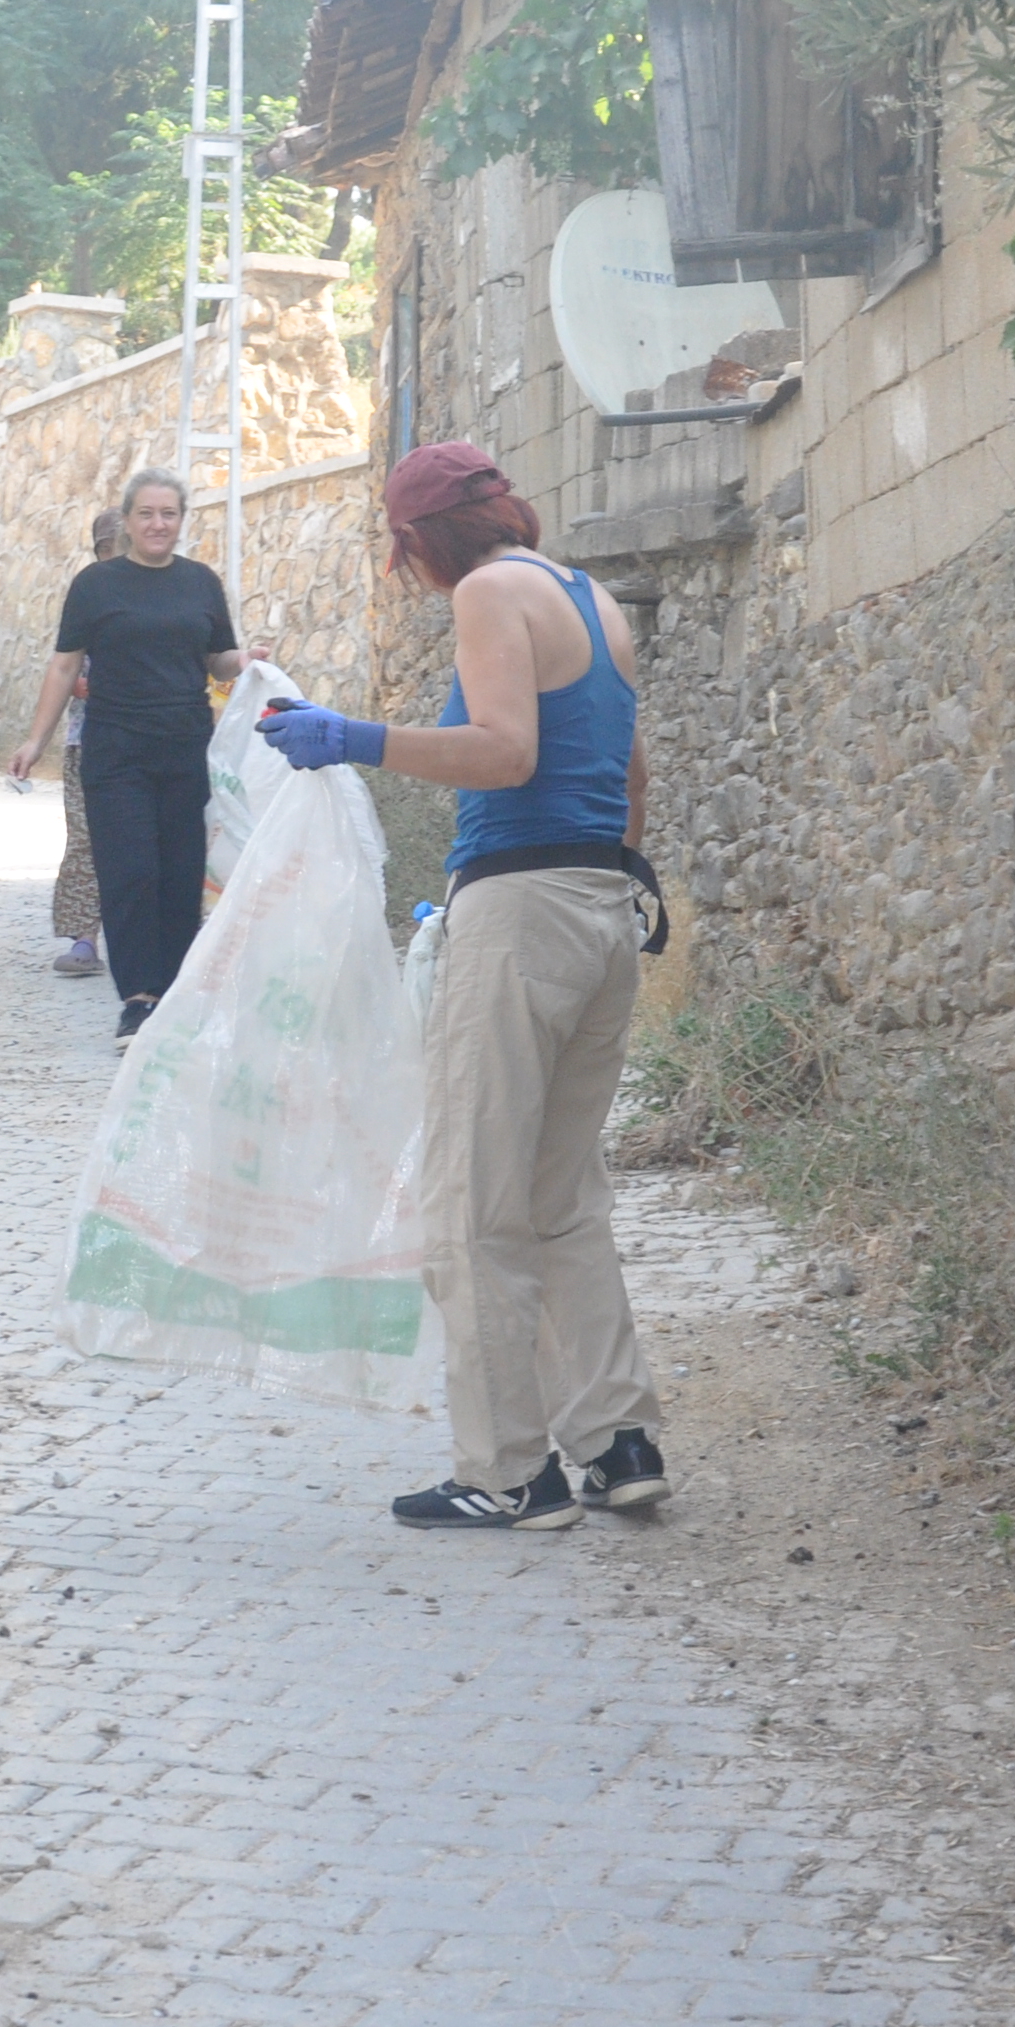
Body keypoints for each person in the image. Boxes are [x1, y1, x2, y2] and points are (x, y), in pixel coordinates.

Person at [258, 439, 676, 1532]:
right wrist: (597, 873)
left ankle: (506, 1471)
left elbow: (502, 753)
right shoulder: (590, 599)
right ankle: (618, 1440)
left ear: (421, 539)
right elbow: (628, 778)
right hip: (600, 907)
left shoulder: (490, 593)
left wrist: (351, 738)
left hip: (520, 911)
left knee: (473, 1200)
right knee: (561, 1195)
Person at [7, 469, 243, 1042]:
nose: (158, 524)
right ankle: (137, 997)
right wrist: (34, 740)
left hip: (185, 747)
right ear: (128, 521)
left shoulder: (201, 584)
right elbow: (65, 665)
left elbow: (221, 661)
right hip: (114, 750)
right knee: (131, 870)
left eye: (169, 514)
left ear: (182, 521)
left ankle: (172, 994)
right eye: (146, 514)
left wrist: (252, 660)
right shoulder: (96, 586)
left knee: (179, 875)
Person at [47, 507, 117, 976]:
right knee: (84, 841)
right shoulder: (89, 596)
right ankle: (83, 938)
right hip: (86, 739)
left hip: (146, 739)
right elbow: (66, 668)